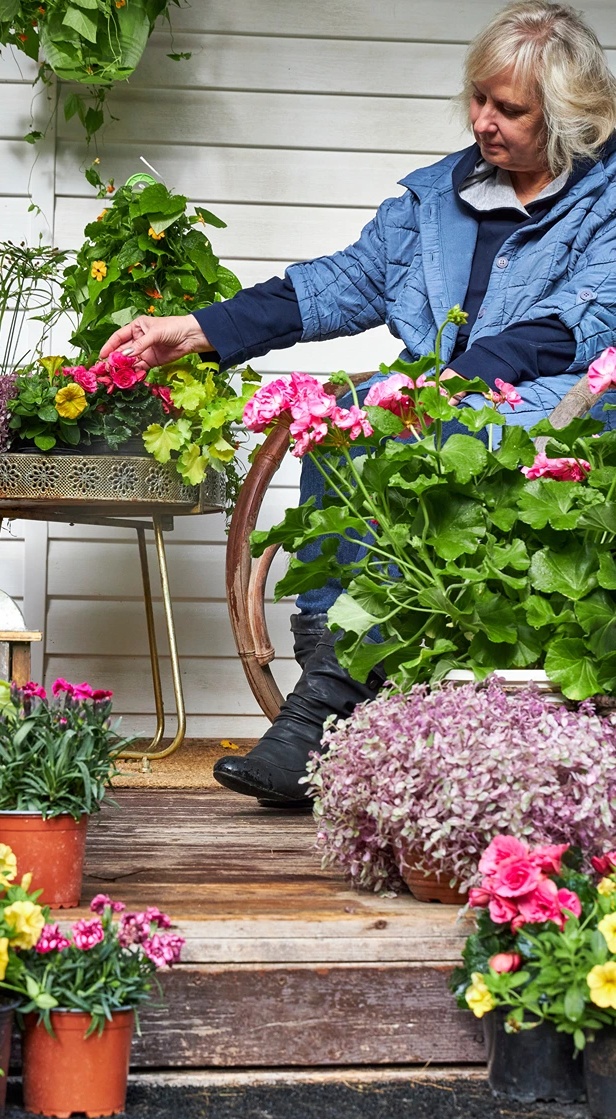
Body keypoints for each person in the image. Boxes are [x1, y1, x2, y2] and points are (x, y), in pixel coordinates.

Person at [101, 1, 616, 806]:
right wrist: (194, 330)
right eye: (478, 97)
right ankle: (328, 674)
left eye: (509, 109)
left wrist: (442, 389)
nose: (482, 121)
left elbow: (574, 323)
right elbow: (336, 283)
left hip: (558, 413)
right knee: (343, 421)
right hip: (439, 406)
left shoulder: (605, 201)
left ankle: (321, 712)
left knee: (388, 414)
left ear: (565, 115)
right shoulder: (438, 199)